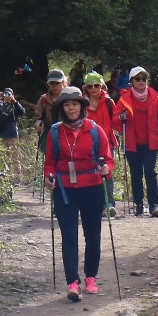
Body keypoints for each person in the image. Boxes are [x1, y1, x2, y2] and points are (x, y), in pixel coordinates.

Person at [43, 86, 114, 300]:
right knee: (69, 236)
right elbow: (49, 163)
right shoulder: (55, 131)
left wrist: (107, 169)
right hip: (65, 191)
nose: (71, 108)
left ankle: (90, 277)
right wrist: (49, 177)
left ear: (81, 107)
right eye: (66, 104)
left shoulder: (94, 129)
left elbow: (108, 159)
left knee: (92, 234)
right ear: (61, 108)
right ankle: (72, 282)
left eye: (74, 104)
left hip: (92, 188)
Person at [116, 65, 158, 216]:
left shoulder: (155, 97)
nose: (141, 82)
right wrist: (121, 118)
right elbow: (115, 120)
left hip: (151, 142)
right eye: (138, 79)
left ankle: (154, 205)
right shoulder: (124, 100)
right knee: (136, 173)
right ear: (131, 81)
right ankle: (139, 205)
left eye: (144, 79)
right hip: (132, 143)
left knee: (150, 172)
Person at [0, 87, 25, 178]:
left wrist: (14, 101)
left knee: (15, 157)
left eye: (9, 94)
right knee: (2, 157)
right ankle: (4, 175)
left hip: (12, 135)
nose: (7, 96)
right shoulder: (0, 105)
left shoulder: (14, 106)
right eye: (5, 94)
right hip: (1, 135)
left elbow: (22, 112)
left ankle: (17, 176)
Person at [32, 68, 68, 159]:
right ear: (48, 84)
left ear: (63, 82)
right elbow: (37, 117)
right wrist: (38, 123)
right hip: (49, 135)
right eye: (52, 83)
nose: (55, 86)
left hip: (67, 134)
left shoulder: (69, 98)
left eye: (57, 83)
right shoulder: (43, 99)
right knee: (50, 162)